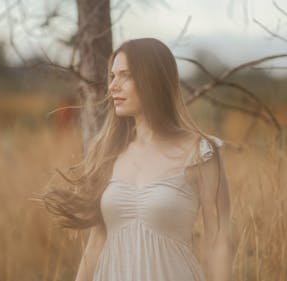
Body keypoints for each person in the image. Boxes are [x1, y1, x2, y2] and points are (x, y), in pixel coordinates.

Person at [42, 38, 235, 281]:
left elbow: (219, 241)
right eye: (113, 76)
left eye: (125, 76)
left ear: (152, 81)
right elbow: (95, 245)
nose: (113, 86)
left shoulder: (201, 152)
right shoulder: (107, 151)